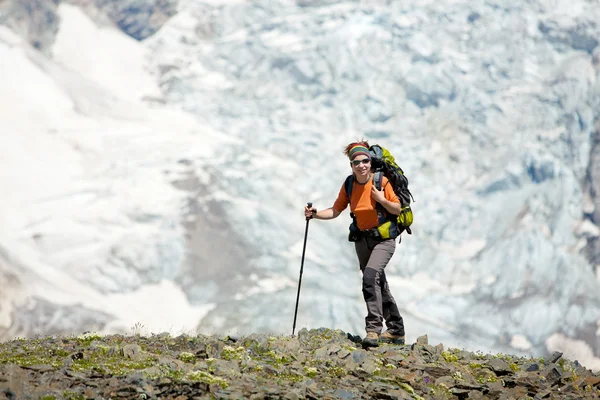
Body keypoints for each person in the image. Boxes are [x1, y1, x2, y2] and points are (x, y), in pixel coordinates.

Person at [304, 141, 406, 347]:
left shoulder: (381, 181)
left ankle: (373, 330)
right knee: (377, 282)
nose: (362, 165)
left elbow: (397, 208)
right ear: (351, 165)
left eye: (365, 160)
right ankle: (396, 329)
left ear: (370, 162)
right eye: (356, 162)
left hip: (384, 239)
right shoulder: (349, 184)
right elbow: (336, 210)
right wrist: (315, 214)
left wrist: (381, 199)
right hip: (362, 239)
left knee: (370, 277)